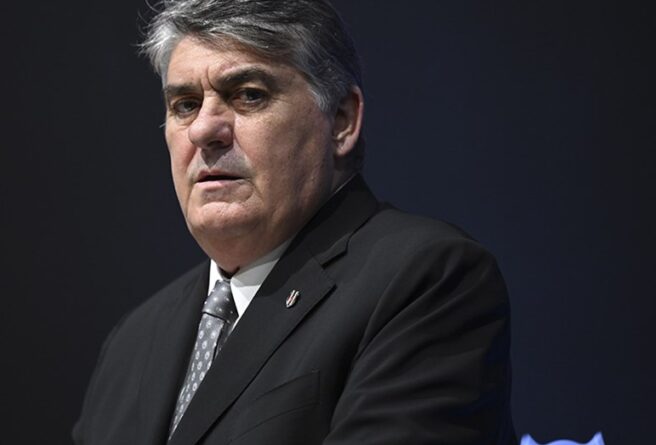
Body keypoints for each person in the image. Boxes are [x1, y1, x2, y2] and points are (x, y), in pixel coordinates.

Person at [73, 0, 516, 444]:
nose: (203, 130)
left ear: (341, 120)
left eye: (249, 94)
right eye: (185, 104)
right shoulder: (133, 339)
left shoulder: (425, 281)